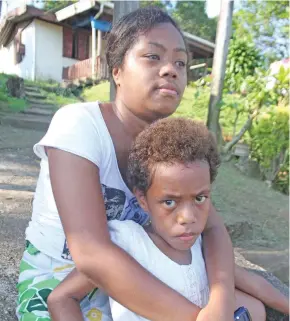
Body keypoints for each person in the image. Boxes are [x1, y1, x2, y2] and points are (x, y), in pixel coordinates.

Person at [17, 7, 236, 321]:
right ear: (116, 70)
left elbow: (213, 229)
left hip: (143, 275)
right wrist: (199, 318)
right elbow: (91, 254)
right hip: (61, 279)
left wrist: (221, 298)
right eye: (152, 57)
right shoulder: (79, 125)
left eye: (180, 62)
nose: (171, 70)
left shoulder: (165, 145)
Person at [46, 118, 289, 321]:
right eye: (169, 202)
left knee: (254, 308)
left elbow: (254, 284)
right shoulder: (128, 242)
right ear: (143, 200)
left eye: (200, 198)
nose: (188, 218)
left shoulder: (201, 248)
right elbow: (61, 298)